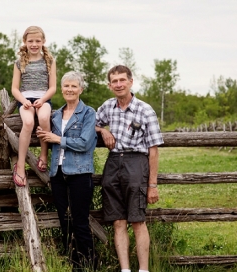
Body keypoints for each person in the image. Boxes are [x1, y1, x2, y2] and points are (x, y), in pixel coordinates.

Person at [95, 65, 163, 272]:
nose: (118, 84)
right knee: (118, 221)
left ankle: (143, 270)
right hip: (113, 162)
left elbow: (153, 150)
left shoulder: (145, 110)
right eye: (114, 81)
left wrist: (152, 185)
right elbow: (91, 123)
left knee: (137, 221)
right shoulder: (108, 107)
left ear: (131, 82)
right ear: (109, 85)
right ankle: (125, 270)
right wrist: (102, 130)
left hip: (136, 163)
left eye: (122, 80)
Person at [37, 71, 97, 270]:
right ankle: (73, 264)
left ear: (81, 89)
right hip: (57, 173)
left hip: (79, 173)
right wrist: (43, 134)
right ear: (61, 89)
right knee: (65, 221)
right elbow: (46, 136)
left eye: (74, 86)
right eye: (66, 86)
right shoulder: (55, 115)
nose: (69, 89)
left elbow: (85, 143)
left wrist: (57, 139)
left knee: (80, 221)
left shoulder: (88, 113)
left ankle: (89, 265)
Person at [11, 26, 56, 186]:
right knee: (28, 123)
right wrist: (23, 100)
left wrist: (43, 100)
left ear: (43, 41)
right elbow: (15, 88)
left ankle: (44, 155)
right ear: (25, 42)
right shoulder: (19, 62)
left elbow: (53, 87)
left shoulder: (49, 61)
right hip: (25, 100)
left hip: (43, 98)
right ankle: (21, 165)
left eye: (38, 41)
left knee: (44, 117)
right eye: (31, 41)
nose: (34, 44)